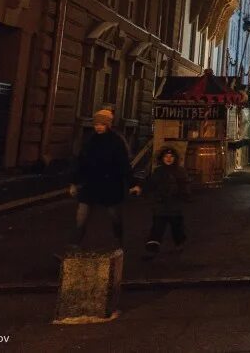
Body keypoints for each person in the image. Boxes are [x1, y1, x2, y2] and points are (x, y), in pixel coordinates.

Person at [69, 107, 133, 249]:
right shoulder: (90, 140)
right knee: (81, 216)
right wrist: (74, 183)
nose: (98, 127)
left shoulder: (116, 142)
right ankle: (75, 244)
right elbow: (81, 162)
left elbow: (124, 164)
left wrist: (133, 183)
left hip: (110, 184)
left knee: (114, 215)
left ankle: (118, 242)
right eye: (97, 124)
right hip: (91, 183)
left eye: (102, 124)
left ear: (108, 125)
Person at [133, 145, 191, 258]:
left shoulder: (180, 171)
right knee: (158, 225)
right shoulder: (158, 171)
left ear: (175, 158)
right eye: (166, 156)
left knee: (177, 227)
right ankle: (153, 244)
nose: (168, 158)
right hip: (161, 205)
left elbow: (184, 185)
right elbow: (150, 183)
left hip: (175, 205)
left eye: (171, 156)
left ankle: (179, 242)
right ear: (162, 158)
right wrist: (140, 188)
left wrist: (185, 195)